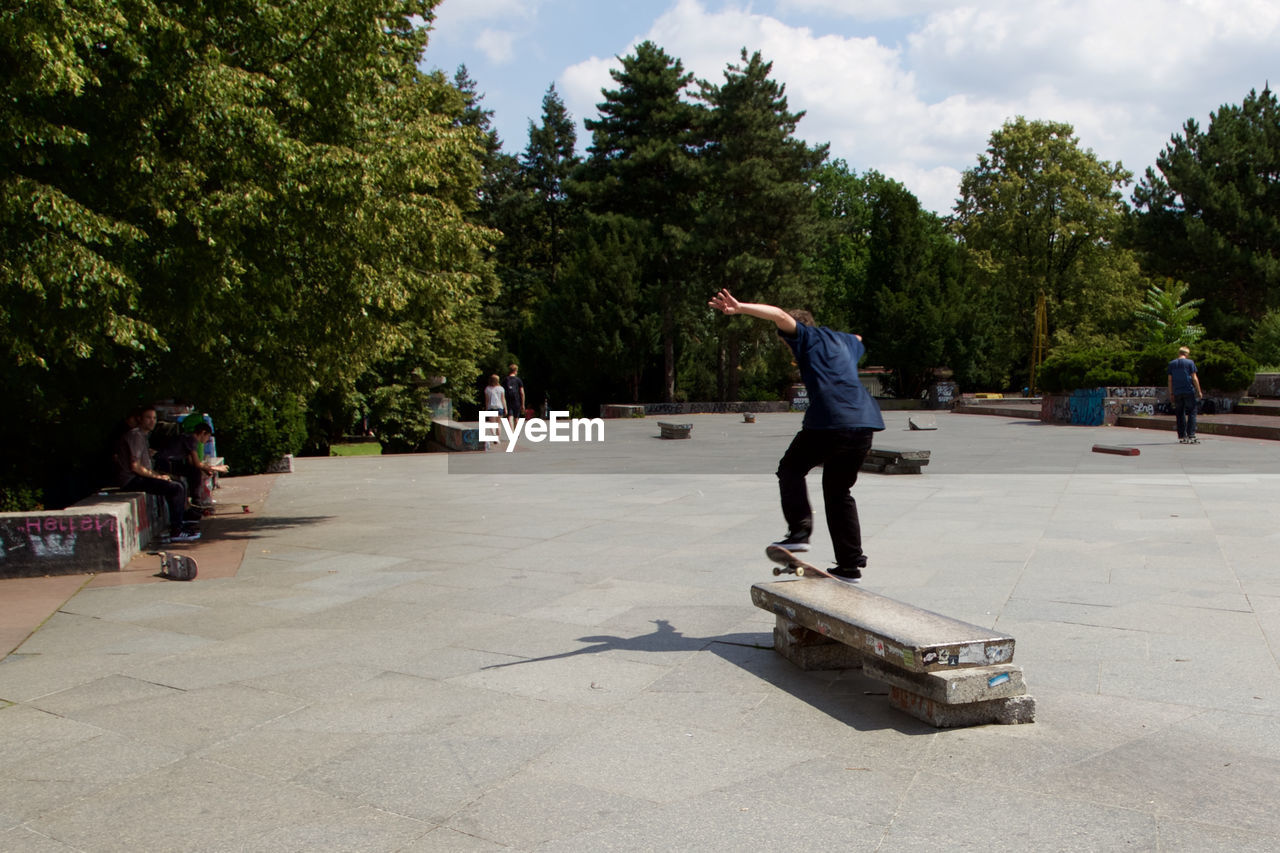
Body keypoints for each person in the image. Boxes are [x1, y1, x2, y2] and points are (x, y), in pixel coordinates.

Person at [708, 288, 884, 580]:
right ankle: (850, 563)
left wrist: (739, 308)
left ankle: (799, 531)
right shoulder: (844, 341)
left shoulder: (804, 336)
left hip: (831, 420)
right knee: (839, 491)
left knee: (790, 468)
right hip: (865, 423)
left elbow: (778, 314)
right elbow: (858, 339)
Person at [112, 405, 200, 542]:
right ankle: (176, 530)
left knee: (177, 483)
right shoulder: (135, 435)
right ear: (140, 419)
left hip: (139, 477)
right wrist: (157, 477)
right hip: (131, 480)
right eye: (148, 418)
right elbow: (135, 467)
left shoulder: (142, 436)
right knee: (175, 488)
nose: (152, 421)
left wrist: (160, 475)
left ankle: (180, 522)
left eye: (154, 418)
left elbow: (145, 466)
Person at [154, 421, 219, 505]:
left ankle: (194, 501)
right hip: (167, 463)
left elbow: (191, 462)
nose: (207, 439)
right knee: (195, 473)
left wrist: (205, 469)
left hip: (168, 462)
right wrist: (215, 468)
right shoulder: (192, 439)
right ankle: (196, 501)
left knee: (194, 471)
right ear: (203, 433)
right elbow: (197, 463)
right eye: (208, 436)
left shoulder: (186, 437)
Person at [1167, 345, 1204, 444]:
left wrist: (1171, 393)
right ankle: (1191, 434)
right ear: (1186, 354)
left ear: (1179, 353)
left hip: (1177, 391)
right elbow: (1194, 378)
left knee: (1180, 413)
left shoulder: (1172, 364)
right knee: (1192, 411)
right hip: (1188, 390)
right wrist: (1199, 391)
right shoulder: (1190, 363)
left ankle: (1182, 435)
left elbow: (1170, 380)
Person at [503, 363, 525, 428]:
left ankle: (511, 432)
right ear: (515, 371)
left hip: (508, 400)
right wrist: (523, 404)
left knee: (510, 416)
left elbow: (502, 392)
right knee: (516, 417)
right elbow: (522, 393)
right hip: (516, 400)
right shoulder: (518, 380)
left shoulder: (505, 380)